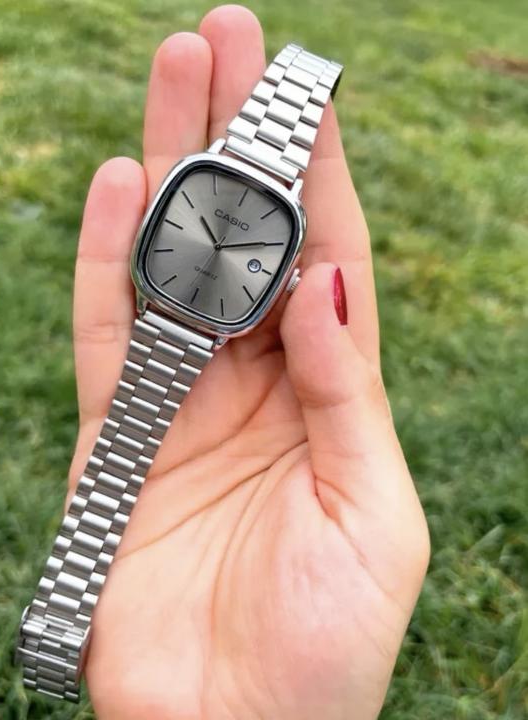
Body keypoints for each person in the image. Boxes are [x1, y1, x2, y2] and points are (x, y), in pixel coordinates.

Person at [68, 5, 430, 718]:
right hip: (172, 311)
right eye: (212, 235)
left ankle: (59, 628)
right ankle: (58, 626)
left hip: (203, 325)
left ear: (284, 272)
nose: (223, 248)